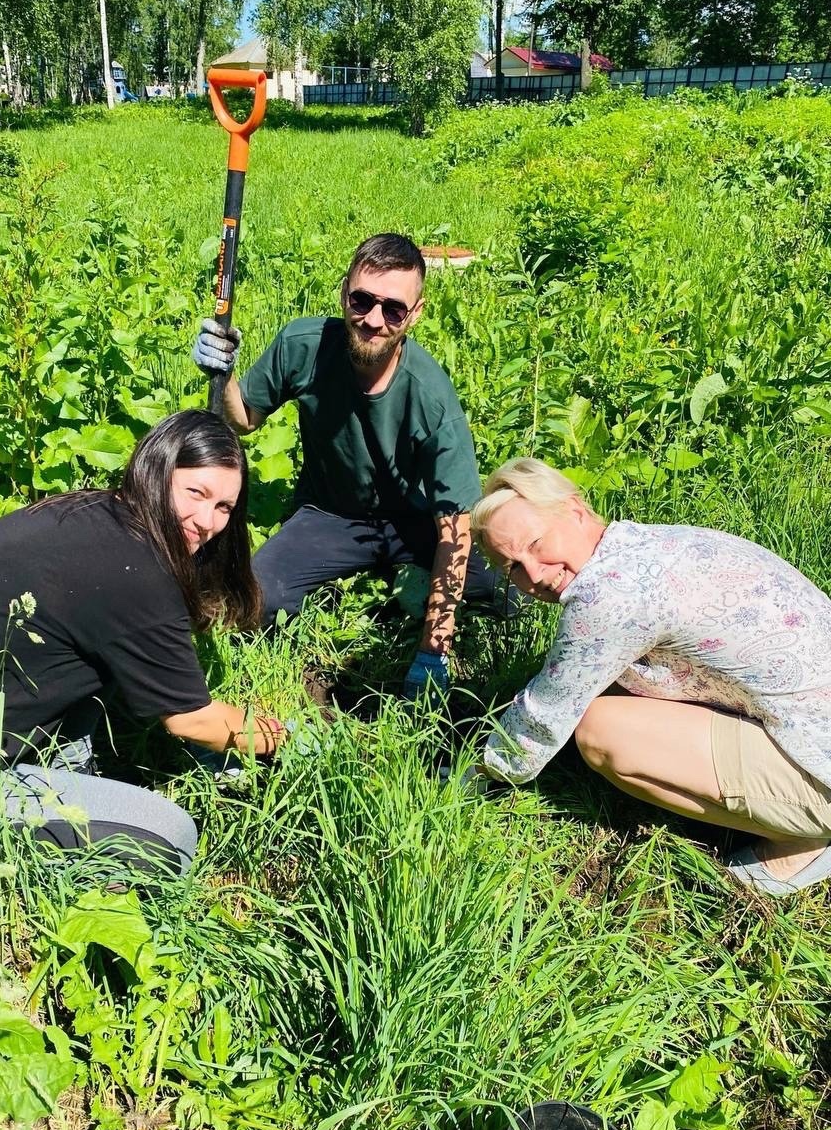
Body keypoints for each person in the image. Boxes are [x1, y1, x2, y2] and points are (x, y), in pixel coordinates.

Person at [0, 410, 286, 875]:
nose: (207, 521)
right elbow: (192, 720)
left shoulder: (93, 511)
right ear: (158, 471)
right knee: (172, 838)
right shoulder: (136, 572)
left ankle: (65, 774)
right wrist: (278, 739)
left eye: (225, 507)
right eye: (196, 492)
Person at [469, 457, 831, 897]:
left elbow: (545, 714)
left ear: (574, 509)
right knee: (611, 688)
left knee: (601, 733)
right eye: (511, 567)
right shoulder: (644, 546)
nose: (533, 574)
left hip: (820, 759)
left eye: (536, 542)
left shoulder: (609, 595)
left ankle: (801, 842)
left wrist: (476, 775)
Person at [193, 232, 509, 699]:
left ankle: (400, 595)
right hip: (329, 514)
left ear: (415, 314)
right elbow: (243, 420)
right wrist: (224, 373)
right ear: (345, 292)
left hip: (413, 521)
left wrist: (433, 651)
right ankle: (366, 586)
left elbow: (456, 525)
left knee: (502, 597)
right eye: (362, 300)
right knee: (258, 601)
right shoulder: (304, 345)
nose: (374, 320)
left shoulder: (431, 395)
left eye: (394, 309)